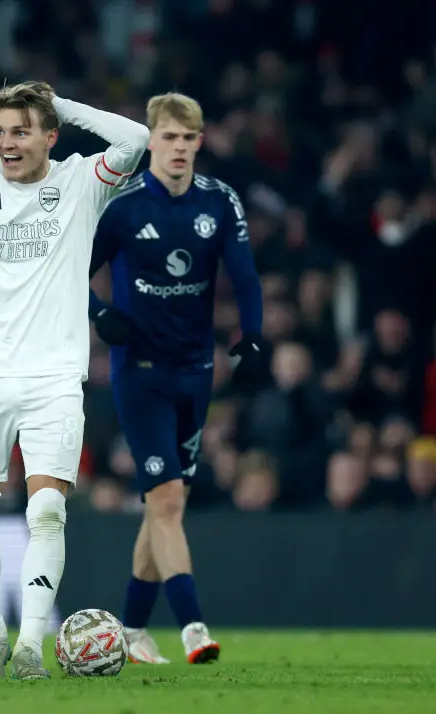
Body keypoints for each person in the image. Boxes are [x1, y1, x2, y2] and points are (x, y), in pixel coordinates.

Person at [0, 81, 149, 679]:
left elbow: (136, 138)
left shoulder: (80, 183)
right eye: (0, 132)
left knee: (47, 513)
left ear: (50, 136)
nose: (7, 143)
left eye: (21, 131)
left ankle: (28, 647)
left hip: (54, 377)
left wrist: (57, 102)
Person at [87, 92, 265, 664]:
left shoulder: (220, 201)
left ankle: (133, 629)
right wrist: (100, 314)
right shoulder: (123, 204)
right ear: (151, 140)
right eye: (169, 137)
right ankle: (193, 627)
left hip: (197, 374)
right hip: (139, 375)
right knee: (165, 502)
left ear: (200, 141)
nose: (180, 148)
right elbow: (71, 273)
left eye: (189, 138)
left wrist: (254, 333)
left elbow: (244, 274)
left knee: (166, 509)